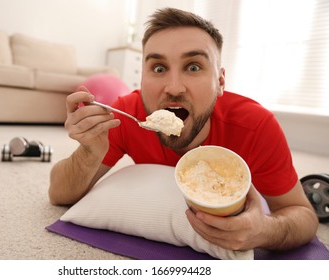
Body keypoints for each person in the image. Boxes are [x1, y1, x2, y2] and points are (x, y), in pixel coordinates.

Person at [49, 7, 318, 251]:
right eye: (158, 68)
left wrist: (264, 231)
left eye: (193, 67)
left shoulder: (255, 126)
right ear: (141, 78)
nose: (174, 87)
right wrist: (89, 152)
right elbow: (58, 195)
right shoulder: (125, 115)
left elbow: (302, 215)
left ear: (220, 81)